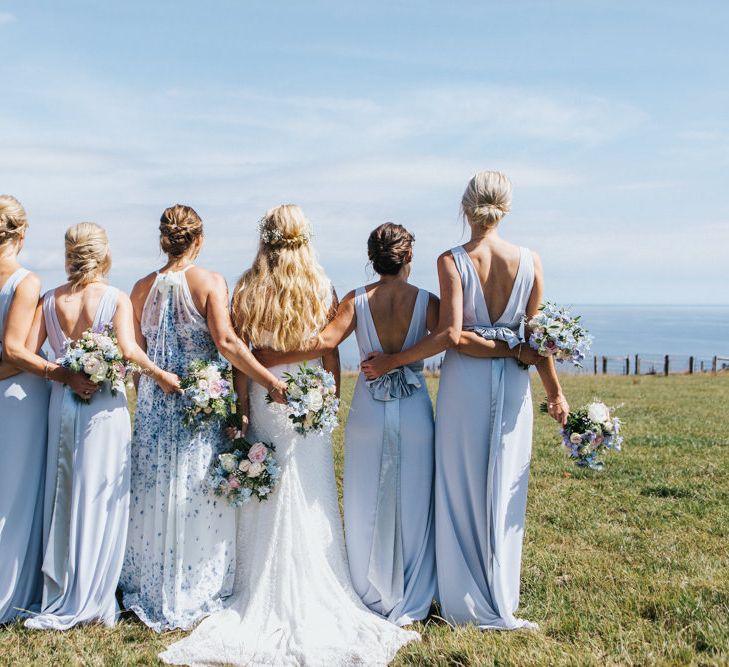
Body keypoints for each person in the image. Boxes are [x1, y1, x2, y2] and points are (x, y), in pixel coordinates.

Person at [160, 205, 418, 666]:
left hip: (265, 396)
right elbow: (329, 353)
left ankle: (257, 586)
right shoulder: (321, 286)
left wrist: (242, 409)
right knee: (310, 488)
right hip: (305, 401)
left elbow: (243, 361)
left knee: (267, 487)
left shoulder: (246, 286)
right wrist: (328, 400)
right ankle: (318, 583)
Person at [362, 171, 569, 630]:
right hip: (514, 384)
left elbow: (453, 335)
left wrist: (395, 360)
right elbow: (538, 341)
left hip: (466, 385)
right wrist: (552, 389)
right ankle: (499, 593)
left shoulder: (452, 260)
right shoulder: (531, 261)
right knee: (502, 480)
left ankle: (461, 601)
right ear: (506, 207)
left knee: (458, 485)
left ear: (466, 207)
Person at [255, 222, 438, 626]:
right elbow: (450, 337)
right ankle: (414, 588)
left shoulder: (357, 299)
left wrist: (272, 357)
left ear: (372, 259)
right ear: (408, 257)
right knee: (414, 496)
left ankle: (369, 587)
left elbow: (324, 343)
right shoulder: (427, 301)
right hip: (414, 409)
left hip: (369, 410)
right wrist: (401, 359)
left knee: (364, 498)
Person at [120, 204, 288, 632]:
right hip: (199, 402)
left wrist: (151, 390)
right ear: (199, 238)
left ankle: (149, 584)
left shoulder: (140, 287)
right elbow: (228, 343)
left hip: (157, 405)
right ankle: (194, 586)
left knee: (155, 487)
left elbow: (137, 357)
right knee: (194, 490)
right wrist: (268, 380)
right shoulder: (211, 281)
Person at [23, 222, 179, 630]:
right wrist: (161, 375)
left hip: (63, 401)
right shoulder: (114, 298)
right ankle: (93, 594)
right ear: (104, 254)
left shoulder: (50, 299)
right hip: (104, 410)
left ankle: (62, 590)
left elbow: (25, 351)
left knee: (66, 492)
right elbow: (128, 351)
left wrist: (63, 373)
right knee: (102, 494)